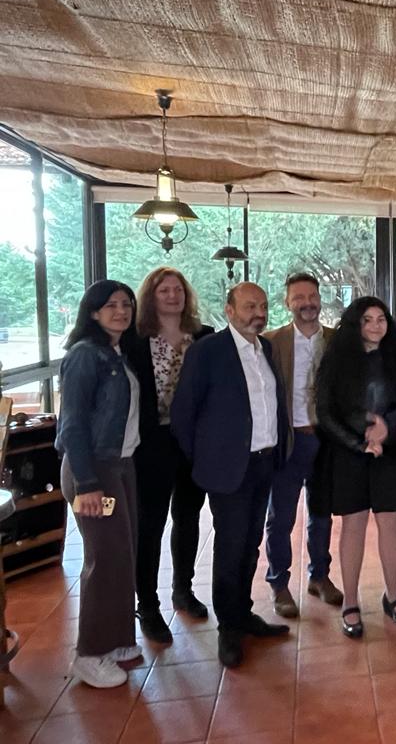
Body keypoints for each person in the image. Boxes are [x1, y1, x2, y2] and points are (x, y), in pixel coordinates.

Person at [170, 282, 291, 669]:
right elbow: (183, 413)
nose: (259, 312)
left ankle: (243, 613)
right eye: (250, 305)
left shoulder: (266, 348)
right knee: (230, 547)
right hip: (228, 469)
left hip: (264, 463)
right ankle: (229, 628)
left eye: (264, 305)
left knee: (250, 543)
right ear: (229, 310)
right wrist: (206, 459)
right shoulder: (208, 352)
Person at [311, 296, 396, 638]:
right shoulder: (337, 358)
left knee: (390, 525)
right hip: (348, 453)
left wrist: (387, 427)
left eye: (381, 319)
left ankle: (394, 596)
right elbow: (325, 411)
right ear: (355, 323)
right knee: (353, 526)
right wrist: (359, 441)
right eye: (368, 319)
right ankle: (351, 603)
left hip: (390, 452)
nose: (375, 325)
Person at [56, 280, 142, 687]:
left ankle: (117, 641)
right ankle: (89, 653)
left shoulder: (116, 353)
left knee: (124, 556)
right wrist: (88, 483)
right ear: (92, 312)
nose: (121, 311)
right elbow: (71, 423)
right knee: (104, 559)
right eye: (111, 305)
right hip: (94, 470)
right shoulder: (84, 355)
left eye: (127, 304)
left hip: (121, 465)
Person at [129, 267, 213, 644]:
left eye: (178, 289)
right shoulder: (135, 340)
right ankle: (147, 604)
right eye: (164, 290)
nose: (173, 295)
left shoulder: (203, 338)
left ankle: (183, 588)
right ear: (151, 296)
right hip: (151, 443)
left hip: (193, 441)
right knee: (150, 523)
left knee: (189, 517)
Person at [261, 273, 341, 618]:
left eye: (312, 296)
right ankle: (279, 584)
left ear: (320, 299)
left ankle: (319, 576)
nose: (307, 302)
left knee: (322, 514)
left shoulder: (338, 341)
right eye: (299, 297)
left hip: (326, 440)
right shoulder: (271, 342)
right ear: (287, 303)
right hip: (288, 440)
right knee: (281, 517)